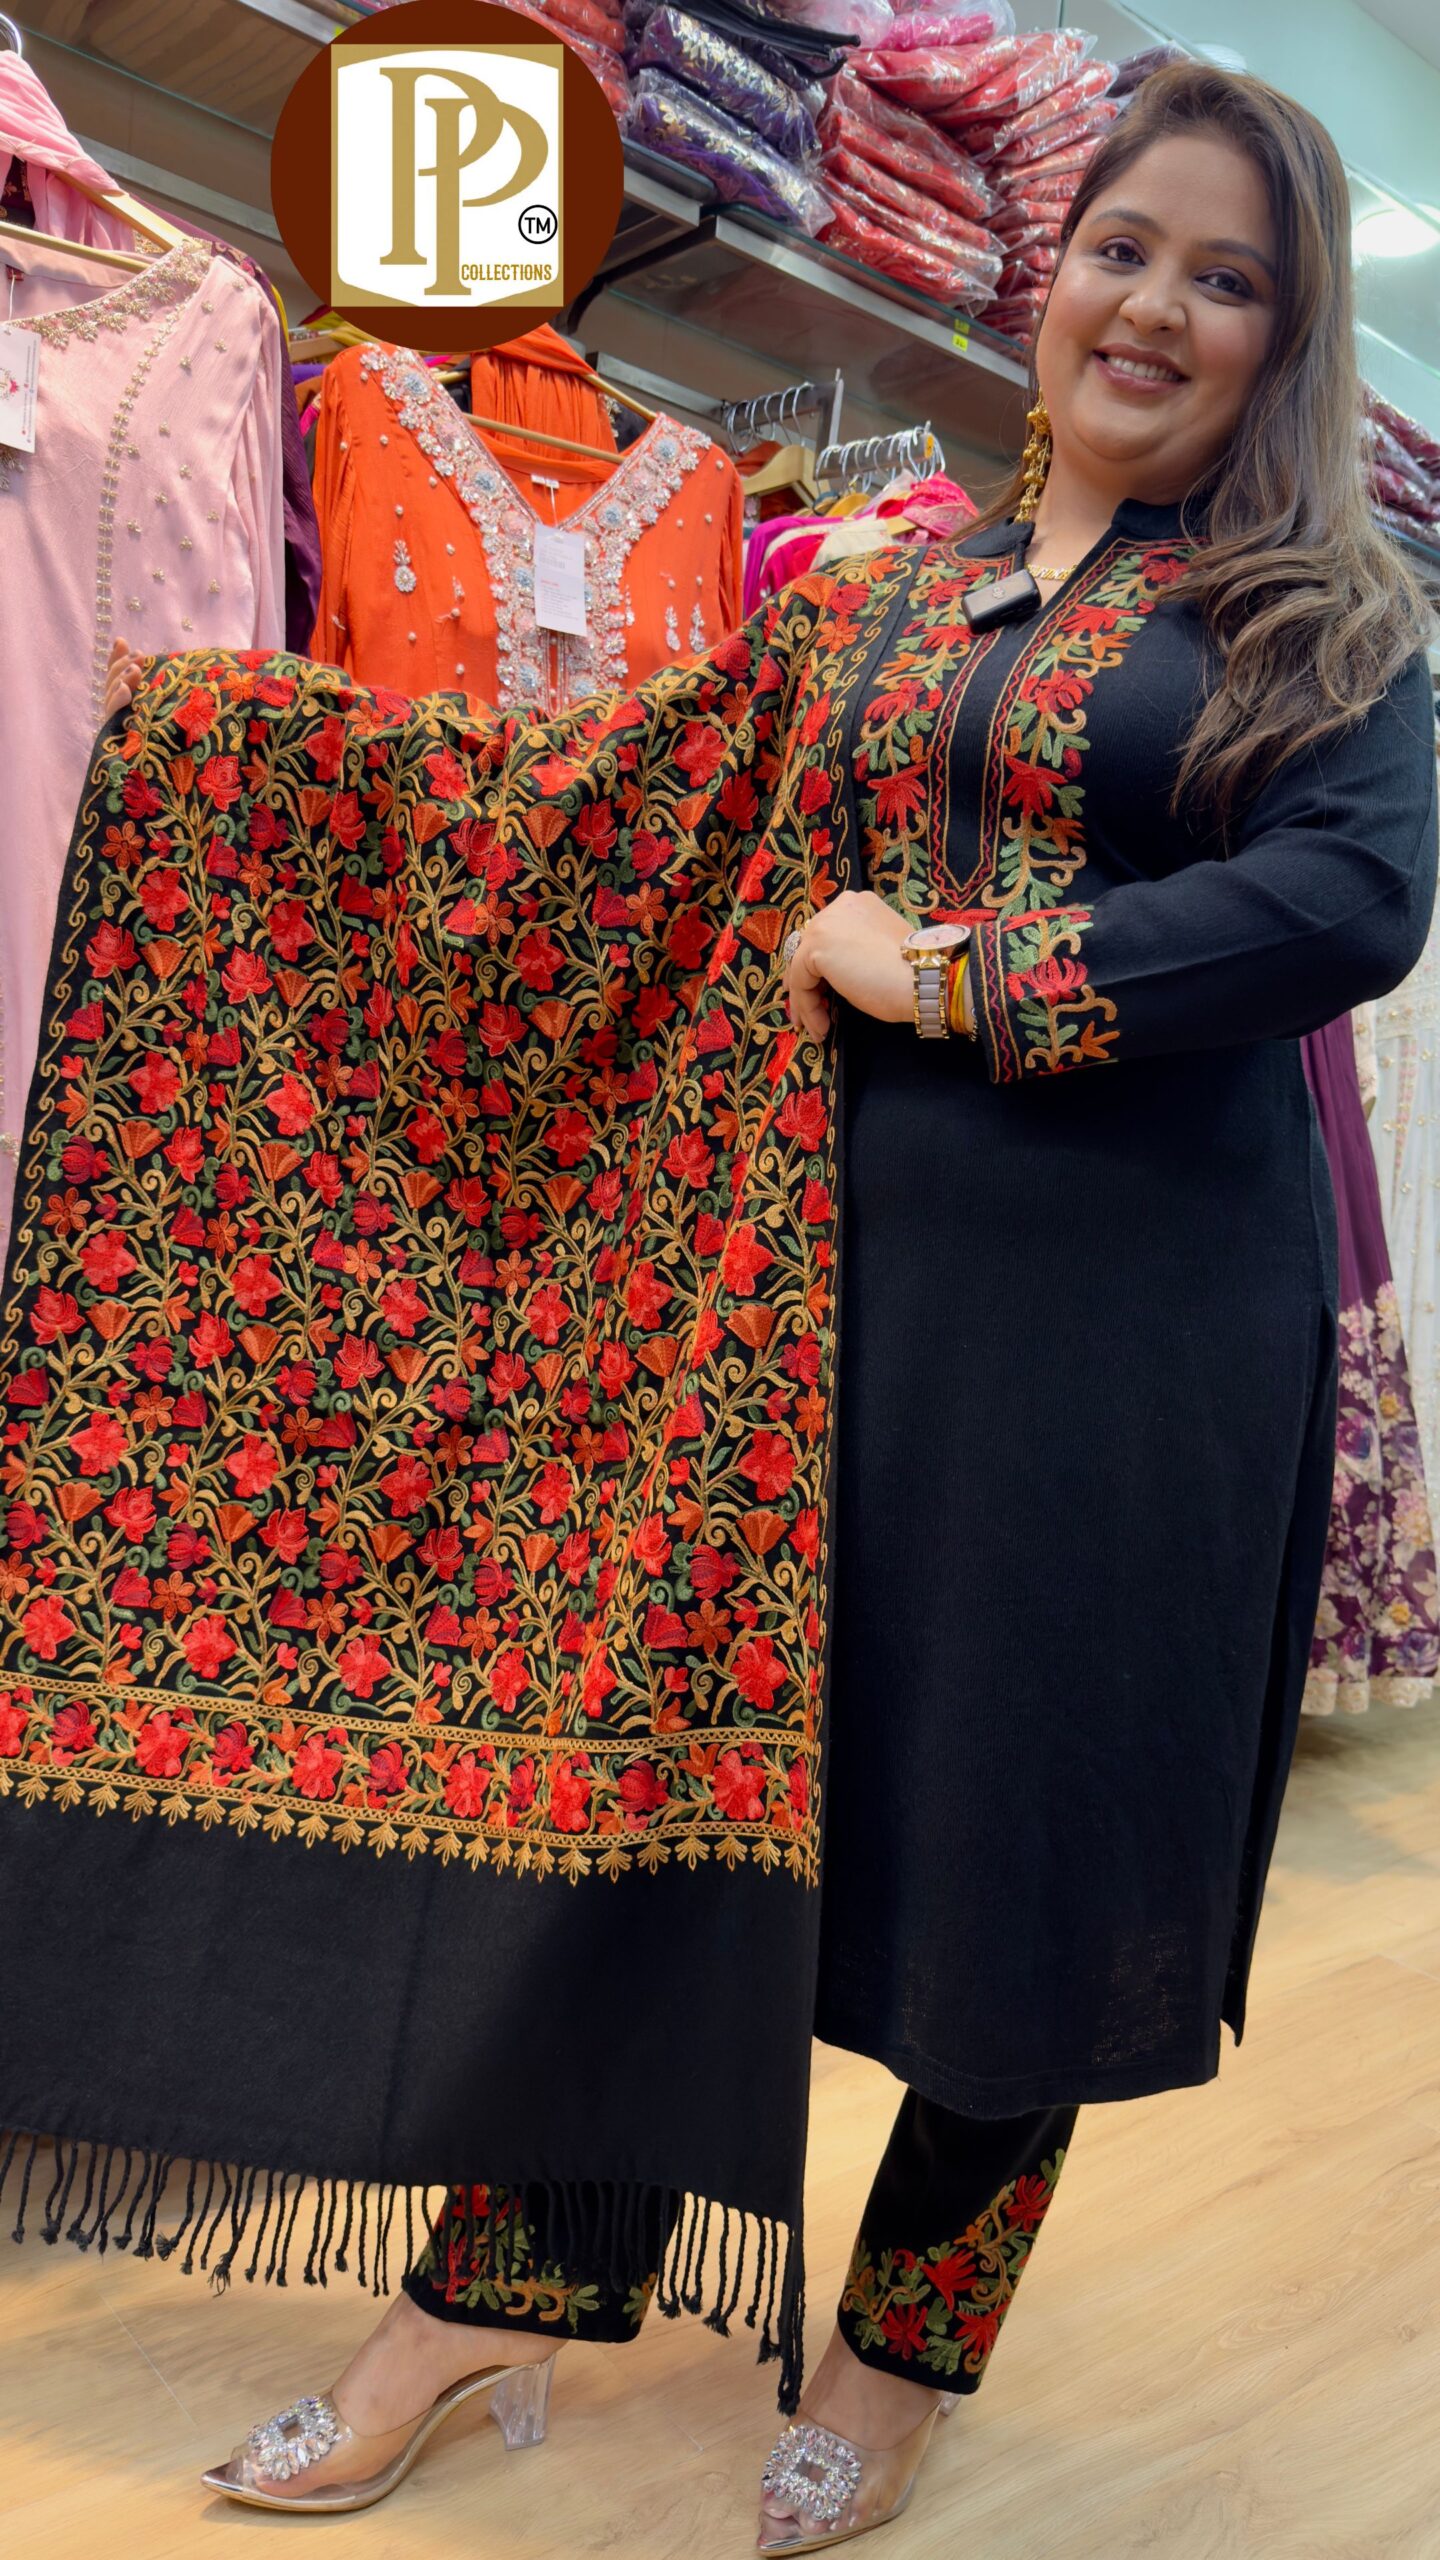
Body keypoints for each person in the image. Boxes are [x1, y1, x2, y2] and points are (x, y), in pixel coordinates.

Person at [27, 59, 1439, 2549]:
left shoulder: (1320, 624)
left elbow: (1348, 901)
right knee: (669, 1774)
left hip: (1128, 1349)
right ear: (1051, 276)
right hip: (802, 1311)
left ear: (1288, 333)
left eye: (1228, 278)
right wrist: (257, 754)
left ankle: (903, 2349)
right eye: (1123, 248)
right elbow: (630, 810)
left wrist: (956, 970)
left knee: (1028, 1835)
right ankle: (491, 2298)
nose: (1155, 307)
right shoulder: (878, 597)